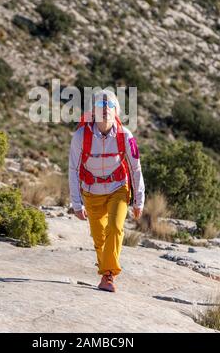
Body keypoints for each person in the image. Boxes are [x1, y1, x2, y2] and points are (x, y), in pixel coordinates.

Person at [68, 89, 145, 292]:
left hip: (118, 188)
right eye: (100, 105)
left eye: (109, 105)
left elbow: (136, 168)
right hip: (91, 191)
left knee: (115, 228)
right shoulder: (80, 136)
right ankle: (106, 271)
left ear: (116, 111)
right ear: (93, 111)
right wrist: (76, 203)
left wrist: (139, 200)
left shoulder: (125, 136)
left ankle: (108, 276)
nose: (105, 110)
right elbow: (73, 170)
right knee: (99, 238)